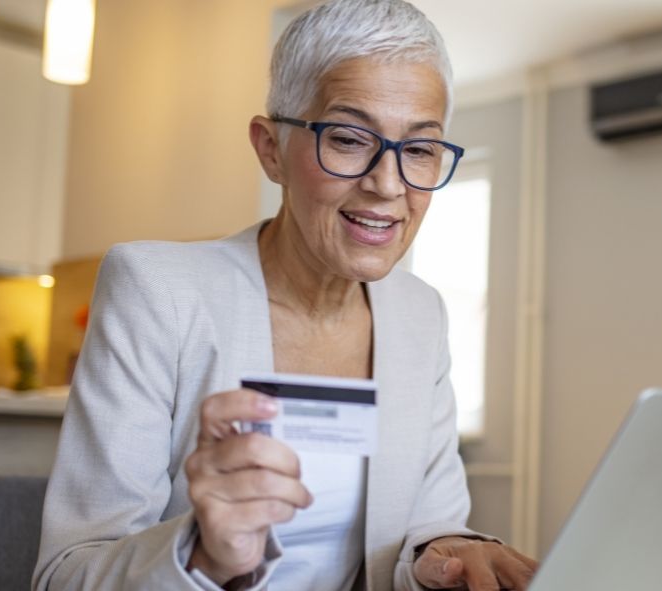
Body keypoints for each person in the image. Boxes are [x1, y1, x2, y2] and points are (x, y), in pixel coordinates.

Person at [31, 0, 538, 589]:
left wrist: (446, 557)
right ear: (271, 149)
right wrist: (203, 554)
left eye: (420, 149)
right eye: (349, 139)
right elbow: (64, 575)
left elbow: (425, 531)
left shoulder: (420, 315)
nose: (388, 184)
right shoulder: (157, 290)